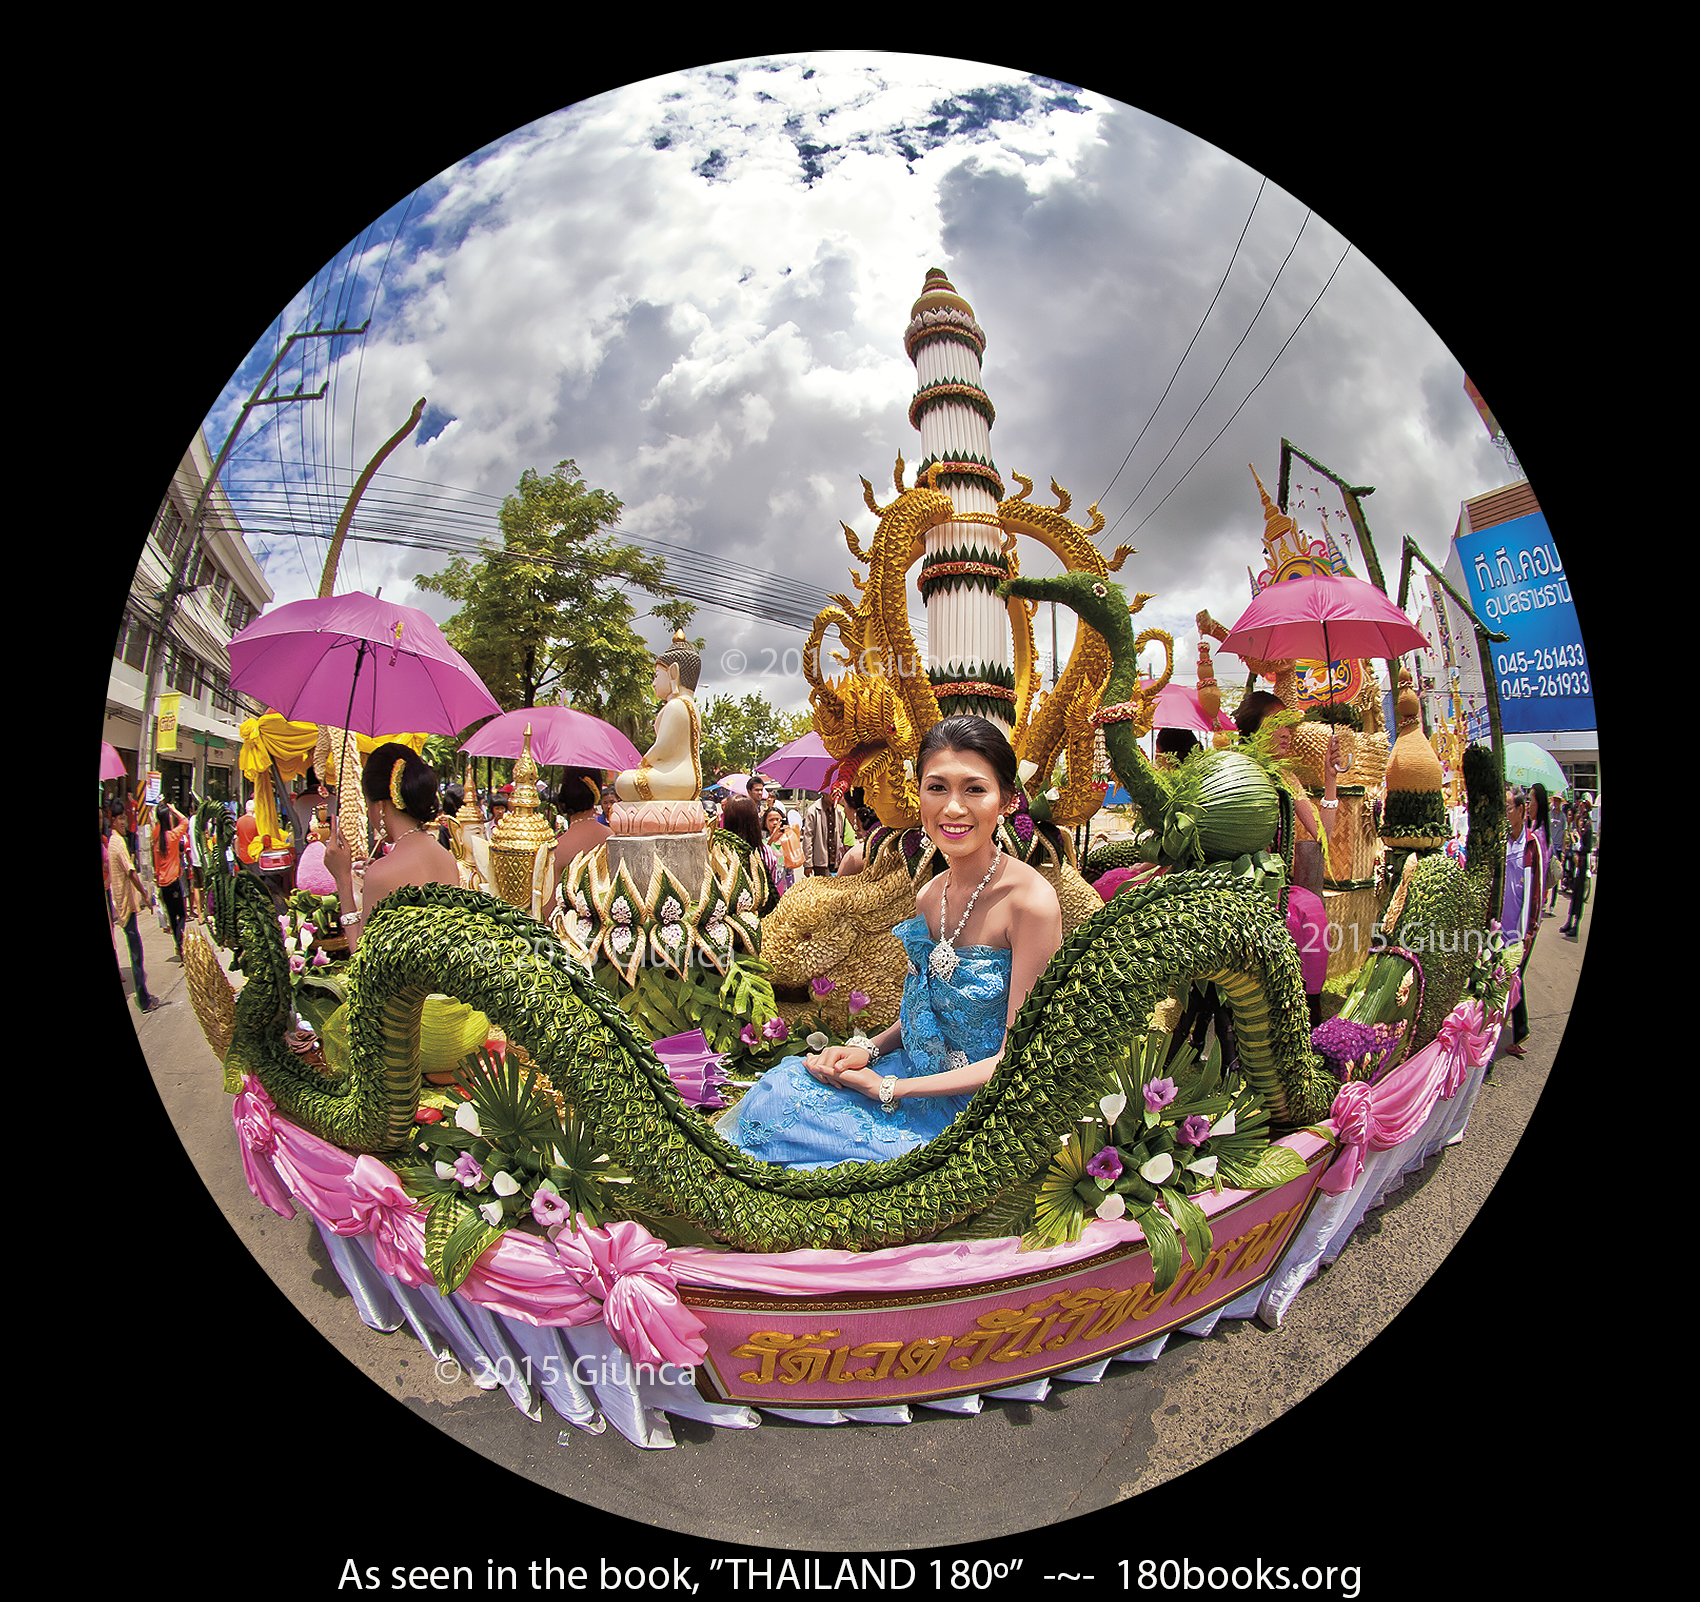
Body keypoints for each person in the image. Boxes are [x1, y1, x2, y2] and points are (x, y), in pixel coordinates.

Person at [719, 716, 1064, 1169]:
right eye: (936, 787)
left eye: (975, 790)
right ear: (917, 794)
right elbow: (923, 1012)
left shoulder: (1031, 903)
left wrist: (888, 1089)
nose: (953, 808)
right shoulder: (929, 894)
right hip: (908, 1077)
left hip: (978, 1114)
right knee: (780, 1092)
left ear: (1006, 800)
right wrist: (866, 1050)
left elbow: (1017, 1058)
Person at [1234, 692, 1346, 1028]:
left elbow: (1321, 835)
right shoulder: (1235, 770)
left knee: (1309, 912)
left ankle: (1308, 1013)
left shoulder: (1287, 778)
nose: (1287, 733)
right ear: (1253, 730)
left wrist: (1330, 780)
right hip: (1236, 883)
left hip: (1276, 887)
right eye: (1277, 724)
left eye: (1288, 726)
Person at [324, 744, 461, 955]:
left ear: (379, 806)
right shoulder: (446, 858)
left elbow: (362, 960)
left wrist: (342, 880)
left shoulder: (382, 873)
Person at [106, 799, 161, 1013]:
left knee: (135, 949)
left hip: (122, 904)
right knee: (136, 953)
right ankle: (144, 999)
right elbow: (131, 872)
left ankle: (143, 996)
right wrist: (145, 896)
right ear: (112, 820)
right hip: (125, 905)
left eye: (123, 818)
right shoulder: (118, 843)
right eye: (119, 819)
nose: (123, 822)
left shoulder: (114, 841)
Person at [1500, 786, 1543, 1057]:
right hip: (1501, 923)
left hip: (1521, 926)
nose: (1506, 813)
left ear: (1521, 810)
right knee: (1510, 978)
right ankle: (1520, 1030)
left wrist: (1530, 929)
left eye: (1509, 808)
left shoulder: (1531, 844)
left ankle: (1509, 1035)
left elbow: (1536, 889)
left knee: (1511, 978)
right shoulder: (1504, 839)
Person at [545, 767, 611, 918]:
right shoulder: (613, 838)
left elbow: (549, 911)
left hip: (571, 932)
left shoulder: (558, 848)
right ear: (597, 795)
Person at [720, 795, 781, 913]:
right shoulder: (765, 852)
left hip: (728, 914)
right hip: (760, 913)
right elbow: (771, 882)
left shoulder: (720, 851)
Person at [153, 800, 192, 962]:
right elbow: (185, 821)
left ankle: (177, 943)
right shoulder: (173, 837)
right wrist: (174, 809)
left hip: (163, 884)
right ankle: (180, 944)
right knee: (182, 915)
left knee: (171, 916)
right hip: (174, 882)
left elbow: (155, 865)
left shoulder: (157, 840)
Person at [1560, 797, 1592, 939]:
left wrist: (1579, 847)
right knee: (1573, 893)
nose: (1580, 807)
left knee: (1579, 894)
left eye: (1583, 806)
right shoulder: (1580, 822)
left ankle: (1576, 925)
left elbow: (1588, 846)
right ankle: (1569, 921)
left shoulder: (1588, 824)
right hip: (1575, 860)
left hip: (1582, 862)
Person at [764, 805, 799, 894]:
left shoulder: (788, 839)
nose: (775, 823)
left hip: (787, 885)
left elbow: (797, 859)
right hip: (770, 887)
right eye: (771, 820)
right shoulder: (764, 843)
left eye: (778, 819)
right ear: (765, 823)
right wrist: (773, 838)